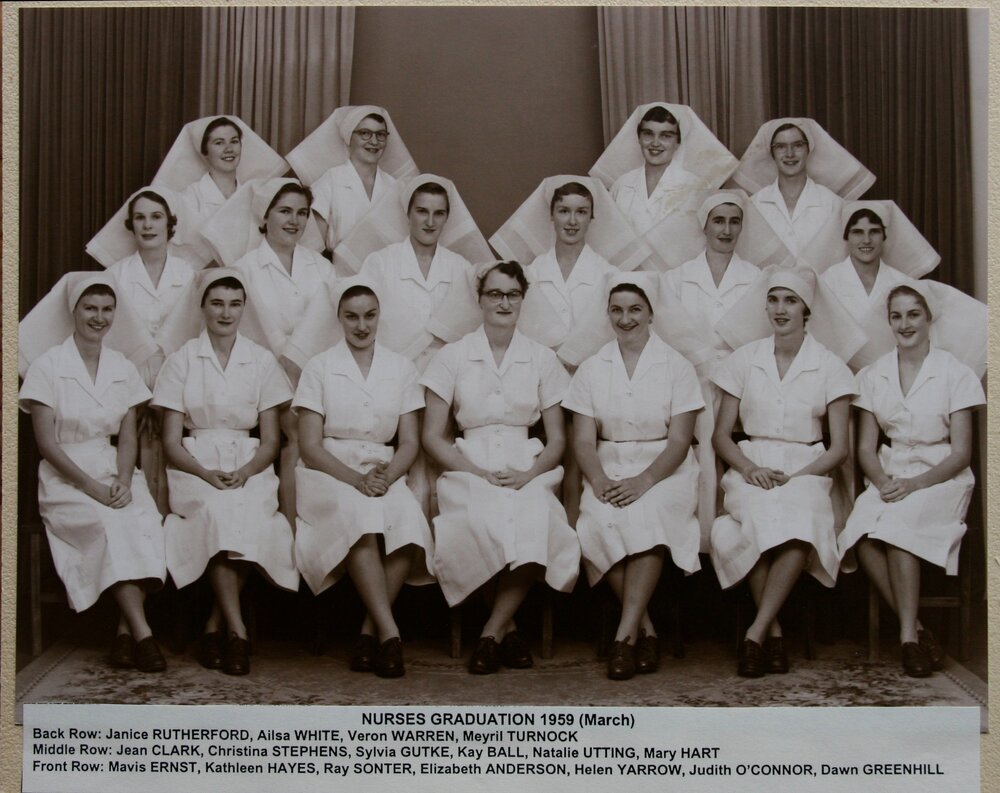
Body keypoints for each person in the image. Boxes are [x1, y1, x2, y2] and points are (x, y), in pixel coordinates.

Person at [421, 261, 580, 674]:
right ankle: (508, 632)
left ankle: (490, 632)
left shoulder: (542, 358)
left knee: (535, 516)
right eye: (495, 294)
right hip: (466, 462)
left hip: (526, 459)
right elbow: (432, 436)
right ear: (480, 299)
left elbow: (558, 439)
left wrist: (529, 474)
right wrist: (475, 472)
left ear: (523, 299)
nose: (503, 302)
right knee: (478, 517)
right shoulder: (452, 356)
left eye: (512, 294)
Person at [710, 268, 856, 677]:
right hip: (751, 462)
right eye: (773, 300)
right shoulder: (744, 359)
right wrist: (750, 468)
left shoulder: (830, 365)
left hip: (808, 467)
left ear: (807, 309)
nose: (780, 309)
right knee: (754, 518)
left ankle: (754, 634)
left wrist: (799, 475)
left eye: (790, 301)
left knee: (800, 518)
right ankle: (772, 632)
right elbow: (721, 436)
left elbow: (840, 448)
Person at [153, 269, 298, 676]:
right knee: (219, 512)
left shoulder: (261, 360)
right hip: (194, 465)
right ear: (202, 307)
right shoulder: (181, 360)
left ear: (244, 309)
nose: (226, 312)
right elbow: (169, 441)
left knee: (250, 515)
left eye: (235, 304)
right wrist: (204, 472)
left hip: (249, 464)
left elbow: (270, 440)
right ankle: (239, 632)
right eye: (217, 303)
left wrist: (247, 470)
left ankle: (215, 628)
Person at [19, 274, 168, 672]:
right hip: (66, 475)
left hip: (112, 468)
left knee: (144, 521)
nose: (98, 317)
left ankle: (123, 634)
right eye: (90, 308)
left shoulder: (121, 366)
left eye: (106, 309)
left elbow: (128, 437)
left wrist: (121, 478)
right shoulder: (48, 366)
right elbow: (47, 444)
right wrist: (93, 488)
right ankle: (144, 635)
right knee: (108, 524)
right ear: (74, 312)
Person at [837, 285, 985, 677]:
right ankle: (920, 628)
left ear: (928, 318)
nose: (905, 324)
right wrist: (884, 480)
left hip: (941, 476)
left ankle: (906, 638)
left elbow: (961, 453)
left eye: (913, 314)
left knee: (899, 526)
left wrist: (915, 484)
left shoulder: (956, 372)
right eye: (897, 316)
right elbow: (866, 448)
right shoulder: (873, 375)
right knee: (860, 533)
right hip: (892, 469)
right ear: (889, 322)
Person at [562, 273, 703, 679]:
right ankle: (647, 631)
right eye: (617, 310)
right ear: (607, 314)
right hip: (607, 465)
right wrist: (600, 479)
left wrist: (644, 481)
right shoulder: (591, 368)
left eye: (635, 309)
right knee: (598, 520)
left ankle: (623, 638)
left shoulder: (677, 366)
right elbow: (584, 442)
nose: (626, 319)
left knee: (649, 515)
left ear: (652, 314)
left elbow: (679, 441)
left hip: (664, 470)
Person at [294, 277, 434, 678]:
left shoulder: (401, 367)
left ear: (379, 317)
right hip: (330, 472)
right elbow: (309, 446)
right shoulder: (319, 367)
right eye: (352, 317)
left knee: (407, 520)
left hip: (383, 470)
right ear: (338, 317)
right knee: (361, 518)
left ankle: (369, 632)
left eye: (369, 316)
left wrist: (386, 476)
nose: (361, 326)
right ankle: (391, 633)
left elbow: (409, 442)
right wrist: (356, 479)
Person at [229, 178, 335, 523]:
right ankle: (290, 531)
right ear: (265, 215)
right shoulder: (243, 269)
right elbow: (254, 332)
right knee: (294, 433)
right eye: (285, 211)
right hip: (261, 377)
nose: (294, 220)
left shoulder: (322, 267)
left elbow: (331, 327)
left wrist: (307, 374)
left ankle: (320, 529)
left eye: (302, 213)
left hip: (314, 374)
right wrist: (289, 373)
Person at [141, 116, 288, 266]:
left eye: (234, 141)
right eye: (219, 143)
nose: (229, 149)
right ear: (204, 152)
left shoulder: (254, 194)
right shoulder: (189, 199)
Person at [285, 105, 419, 265]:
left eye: (381, 135)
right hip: (342, 276)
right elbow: (313, 245)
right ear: (349, 137)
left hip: (387, 274)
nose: (374, 141)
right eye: (365, 134)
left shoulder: (395, 186)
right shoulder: (330, 182)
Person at [589, 102, 738, 238]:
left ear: (678, 142)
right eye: (648, 134)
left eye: (665, 136)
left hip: (678, 268)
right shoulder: (621, 185)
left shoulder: (696, 187)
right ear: (639, 138)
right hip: (626, 268)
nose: (655, 143)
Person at [733, 118, 875, 259]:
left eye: (798, 145)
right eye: (781, 146)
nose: (790, 154)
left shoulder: (833, 204)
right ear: (772, 153)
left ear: (809, 149)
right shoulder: (754, 205)